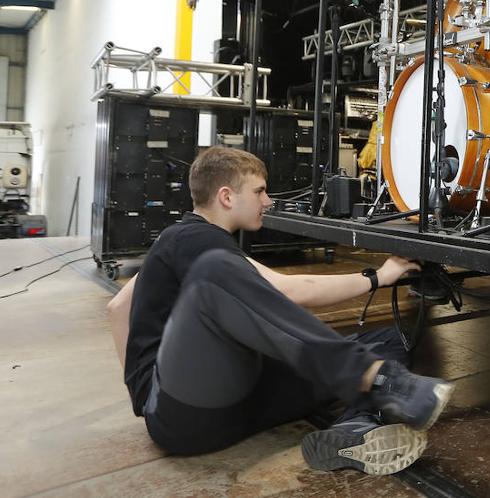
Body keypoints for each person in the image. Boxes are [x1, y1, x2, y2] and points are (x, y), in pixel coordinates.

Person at [106, 146, 452, 474]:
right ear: (227, 197)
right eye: (259, 192)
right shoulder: (196, 241)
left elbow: (117, 306)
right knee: (215, 270)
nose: (268, 201)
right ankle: (374, 378)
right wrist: (378, 276)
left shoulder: (174, 239)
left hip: (228, 407)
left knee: (392, 338)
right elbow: (289, 290)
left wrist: (141, 395)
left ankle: (355, 428)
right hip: (187, 412)